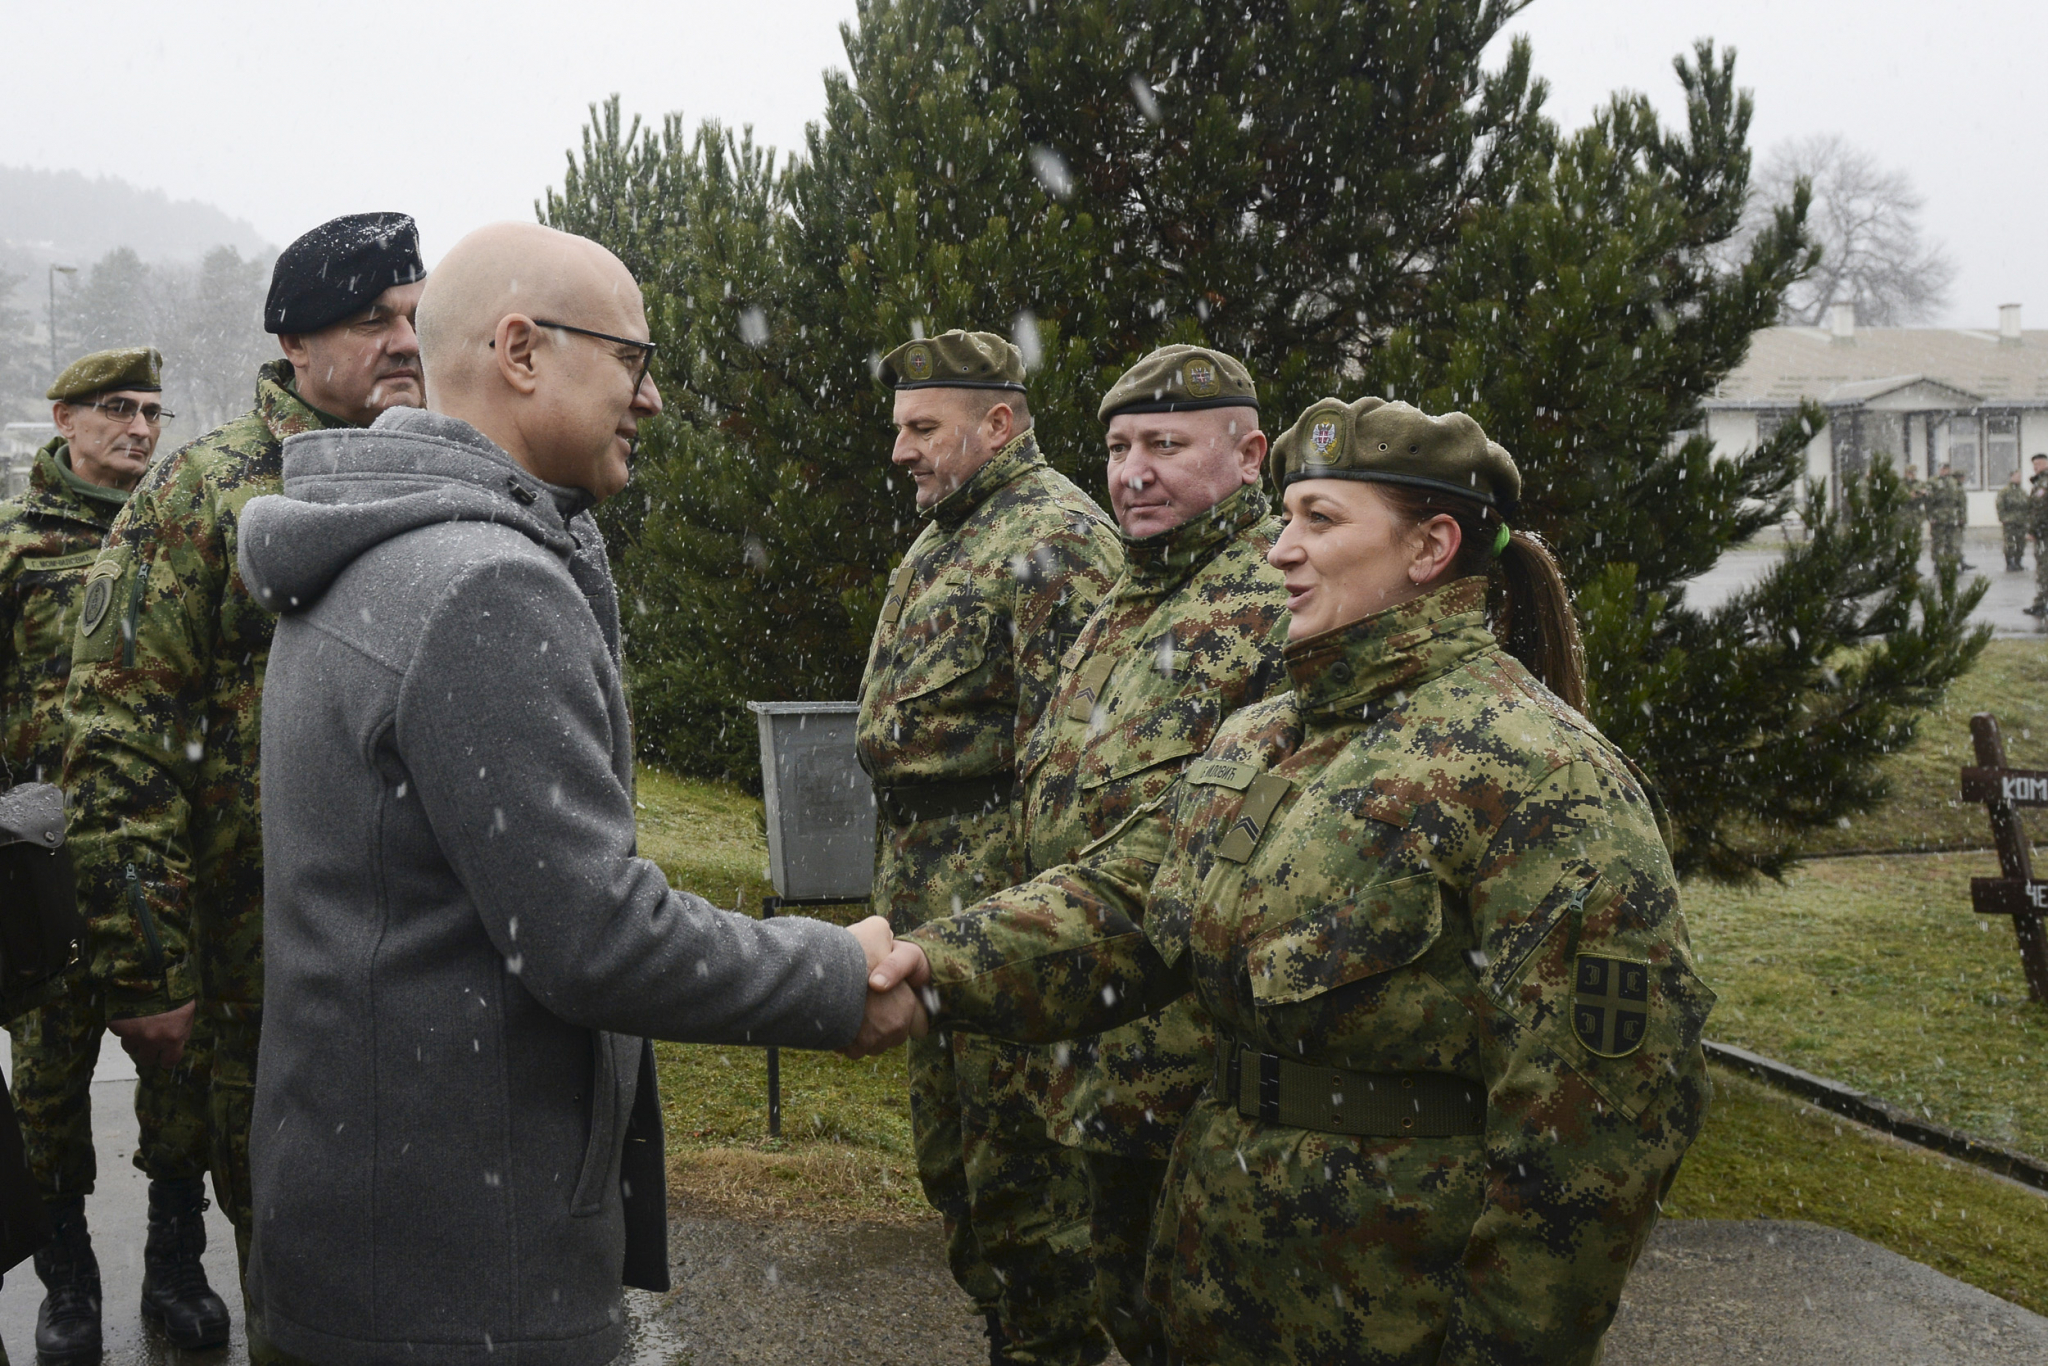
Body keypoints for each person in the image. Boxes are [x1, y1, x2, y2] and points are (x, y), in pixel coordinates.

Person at [877, 397, 1717, 1365]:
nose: (1279, 548)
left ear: (1430, 546)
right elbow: (1116, 906)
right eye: (1284, 516)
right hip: (1216, 1297)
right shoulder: (1266, 736)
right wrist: (919, 965)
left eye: (1319, 519)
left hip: (1391, 1311)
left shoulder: (1539, 777)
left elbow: (1594, 1137)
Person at [236, 221, 921, 1366]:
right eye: (632, 361)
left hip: (364, 1228)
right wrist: (834, 977)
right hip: (467, 1279)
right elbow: (592, 934)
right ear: (519, 350)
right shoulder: (480, 584)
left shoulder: (370, 551)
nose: (648, 401)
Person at [60, 213, 428, 1355]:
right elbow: (119, 733)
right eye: (374, 320)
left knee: (421, 1251)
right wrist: (150, 965)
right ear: (294, 343)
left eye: (414, 316)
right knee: (305, 1254)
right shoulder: (203, 494)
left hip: (417, 964)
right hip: (259, 971)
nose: (405, 342)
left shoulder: (438, 470)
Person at [986, 344, 1287, 1366]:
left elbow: (1264, 835)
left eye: (1165, 445)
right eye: (1117, 448)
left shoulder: (1280, 598)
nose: (1132, 472)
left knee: (1207, 1328)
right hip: (1102, 1046)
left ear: (1248, 455)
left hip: (1200, 1060)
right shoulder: (1128, 594)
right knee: (1128, 1304)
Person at [857, 328, 1123, 1361]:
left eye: (922, 428)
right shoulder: (946, 533)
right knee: (959, 1173)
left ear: (998, 423)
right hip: (938, 910)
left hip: (1009, 922)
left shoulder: (1055, 540)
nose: (900, 450)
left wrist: (1034, 924)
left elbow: (1076, 767)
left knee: (1029, 1188)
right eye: (899, 428)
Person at [1, 348, 228, 1359]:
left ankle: (176, 1265)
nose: (139, 427)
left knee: (181, 1076)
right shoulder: (14, 547)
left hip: (155, 854)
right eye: (115, 410)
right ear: (64, 420)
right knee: (49, 1089)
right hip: (44, 868)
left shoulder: (173, 537)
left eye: (151, 410)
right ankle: (69, 1284)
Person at [1926, 461, 1970, 569]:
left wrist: (1961, 517)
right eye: (1942, 469)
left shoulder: (1953, 482)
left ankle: (1951, 565)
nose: (1944, 471)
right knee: (1938, 542)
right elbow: (1928, 502)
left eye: (1946, 469)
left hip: (1951, 517)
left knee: (1951, 543)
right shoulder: (1933, 482)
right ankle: (1938, 565)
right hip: (1938, 517)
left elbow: (1960, 502)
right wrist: (1930, 517)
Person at [1995, 468, 2031, 572]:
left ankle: (2018, 562)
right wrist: (2004, 518)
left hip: (2021, 522)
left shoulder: (2022, 492)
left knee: (2021, 543)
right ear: (2011, 477)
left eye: (2019, 476)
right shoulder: (2005, 492)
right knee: (2010, 543)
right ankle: (2009, 563)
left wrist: (2028, 519)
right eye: (2016, 476)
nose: (2018, 478)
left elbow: (2027, 506)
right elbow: (2000, 506)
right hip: (2010, 522)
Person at [2028, 453, 2048, 617]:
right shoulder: (2039, 482)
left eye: (2039, 463)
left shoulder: (2044, 483)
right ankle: (2041, 602)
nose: (2036, 467)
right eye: (2034, 464)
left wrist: (2034, 530)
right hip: (2043, 532)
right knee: (2042, 568)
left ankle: (2042, 603)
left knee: (2044, 568)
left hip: (2044, 532)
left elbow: (2040, 511)